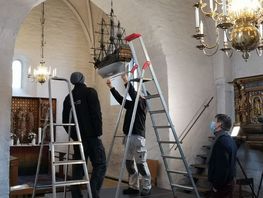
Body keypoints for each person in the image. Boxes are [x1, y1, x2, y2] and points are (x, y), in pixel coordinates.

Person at [106, 74, 152, 196]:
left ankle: (147, 186)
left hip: (138, 137)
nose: (136, 94)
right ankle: (133, 187)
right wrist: (111, 87)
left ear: (143, 96)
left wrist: (126, 81)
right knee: (129, 164)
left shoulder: (143, 105)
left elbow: (133, 93)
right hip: (128, 137)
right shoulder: (132, 105)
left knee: (141, 164)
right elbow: (120, 99)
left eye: (139, 93)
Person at [62, 72, 106, 198]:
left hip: (78, 139)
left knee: (78, 166)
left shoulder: (68, 97)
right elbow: (96, 114)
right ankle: (92, 193)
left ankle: (76, 195)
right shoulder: (90, 92)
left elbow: (65, 121)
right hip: (92, 137)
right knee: (100, 164)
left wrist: (75, 136)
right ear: (83, 79)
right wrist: (97, 133)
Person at [208, 114, 237, 198]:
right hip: (229, 182)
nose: (213, 123)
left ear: (220, 124)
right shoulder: (230, 139)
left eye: (215, 122)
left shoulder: (221, 142)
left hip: (222, 186)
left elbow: (222, 167)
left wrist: (216, 186)